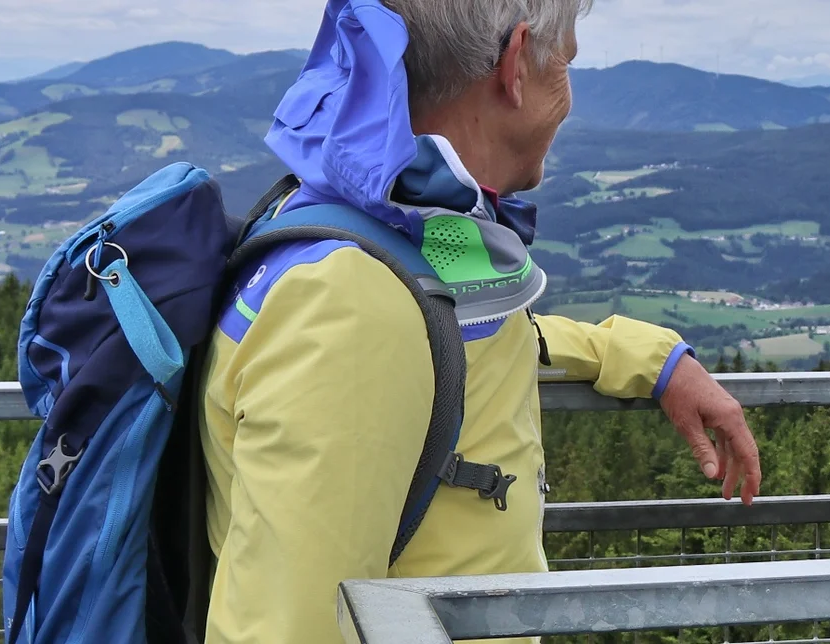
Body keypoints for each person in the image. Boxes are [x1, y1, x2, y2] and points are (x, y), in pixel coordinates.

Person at [196, 1, 763, 642]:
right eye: (567, 60)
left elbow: (462, 342)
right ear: (517, 63)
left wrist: (642, 358)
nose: (569, 96)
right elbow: (288, 628)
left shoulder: (395, 226)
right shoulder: (347, 306)